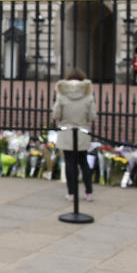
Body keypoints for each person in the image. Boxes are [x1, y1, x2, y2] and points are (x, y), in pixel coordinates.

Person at [51, 68, 96, 202]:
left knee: (69, 163)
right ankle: (89, 192)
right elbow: (92, 116)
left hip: (66, 130)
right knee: (83, 162)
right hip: (82, 130)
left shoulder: (62, 95)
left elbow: (56, 115)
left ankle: (71, 193)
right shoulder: (88, 95)